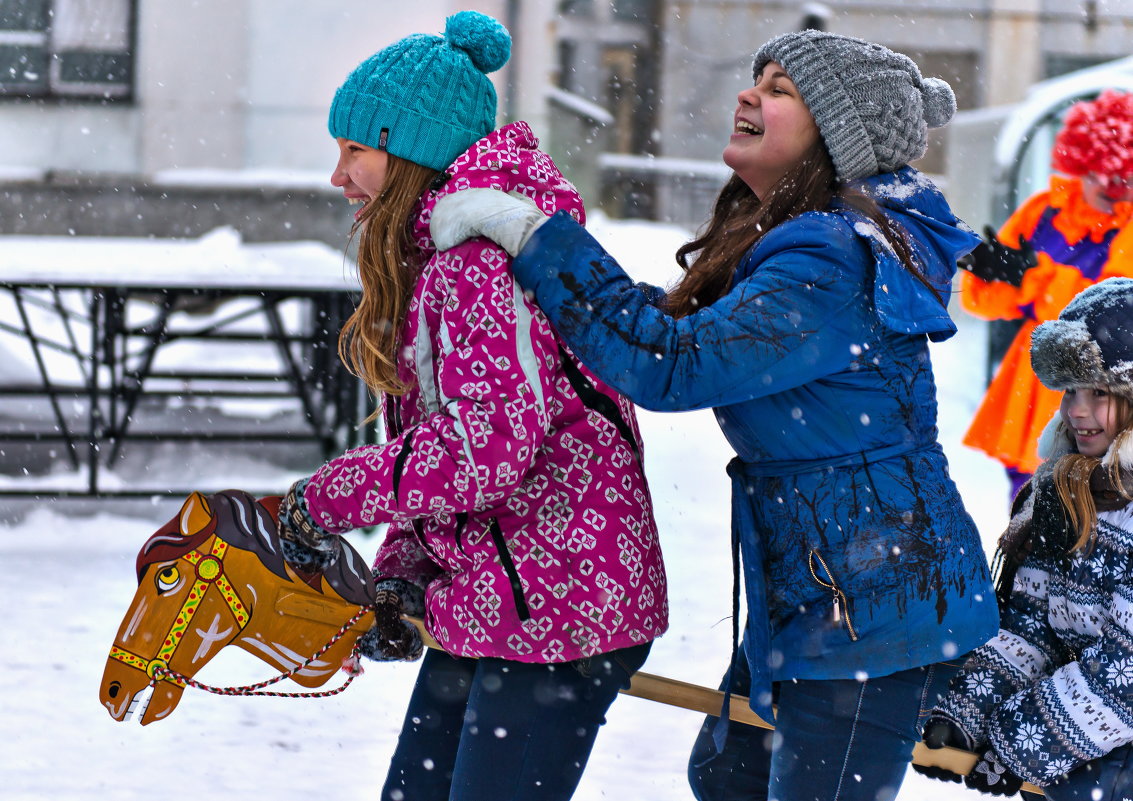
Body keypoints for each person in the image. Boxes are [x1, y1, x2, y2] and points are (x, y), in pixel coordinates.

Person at [430, 28, 999, 801]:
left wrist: (537, 241)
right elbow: (667, 332)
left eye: (779, 89)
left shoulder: (826, 261)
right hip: (830, 585)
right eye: (755, 77)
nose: (747, 94)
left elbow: (668, 363)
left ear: (835, 136)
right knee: (728, 773)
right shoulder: (809, 241)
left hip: (875, 603)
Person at [273, 12, 669, 801]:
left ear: (413, 152)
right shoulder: (446, 256)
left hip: (556, 605)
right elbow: (453, 448)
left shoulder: (477, 264)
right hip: (500, 595)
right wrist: (405, 571)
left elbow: (482, 448)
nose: (337, 174)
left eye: (356, 149)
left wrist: (330, 497)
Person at [920, 277, 1133, 799]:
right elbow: (1033, 623)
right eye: (1070, 392)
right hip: (1087, 749)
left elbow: (1126, 674)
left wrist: (1020, 741)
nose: (1076, 411)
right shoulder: (1067, 490)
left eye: (1100, 393)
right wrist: (968, 712)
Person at [960, 90, 1133, 502]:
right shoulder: (1045, 212)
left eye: (1124, 177)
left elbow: (1105, 314)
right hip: (1033, 378)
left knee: (1097, 505)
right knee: (1027, 503)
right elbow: (982, 303)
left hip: (1106, 389)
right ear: (1082, 164)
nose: (1111, 188)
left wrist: (1032, 278)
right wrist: (993, 274)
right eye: (1099, 174)